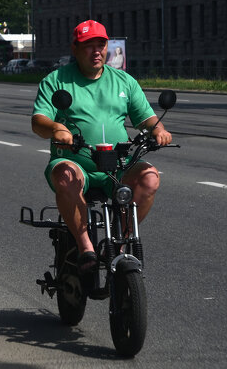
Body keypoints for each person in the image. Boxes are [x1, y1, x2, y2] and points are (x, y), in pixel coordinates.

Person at [31, 20, 172, 273]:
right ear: (75, 49)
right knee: (65, 176)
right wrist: (56, 128)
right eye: (88, 46)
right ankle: (86, 249)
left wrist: (158, 130)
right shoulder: (56, 81)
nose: (96, 51)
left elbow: (145, 118)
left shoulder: (124, 81)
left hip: (117, 164)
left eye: (101, 44)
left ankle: (117, 246)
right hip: (75, 160)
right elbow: (39, 120)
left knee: (150, 178)